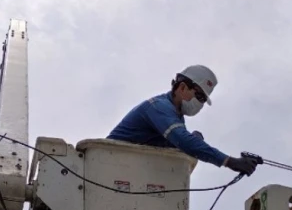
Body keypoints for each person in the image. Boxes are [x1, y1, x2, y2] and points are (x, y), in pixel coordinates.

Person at [107, 65, 258, 175]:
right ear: (183, 88)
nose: (199, 103)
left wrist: (195, 141)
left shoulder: (175, 117)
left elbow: (180, 146)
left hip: (125, 169)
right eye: (199, 96)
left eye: (203, 100)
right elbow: (183, 141)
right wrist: (229, 161)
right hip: (106, 164)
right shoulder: (159, 107)